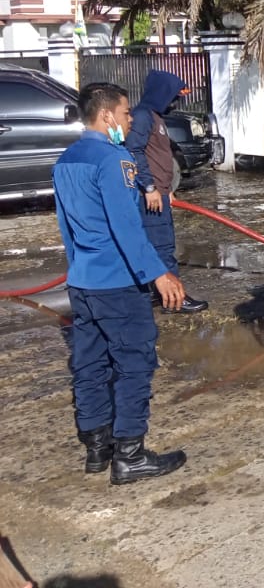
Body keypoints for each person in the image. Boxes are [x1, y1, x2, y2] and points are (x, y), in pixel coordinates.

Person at [53, 82, 188, 485]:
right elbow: (126, 226)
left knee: (90, 364)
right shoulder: (114, 161)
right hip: (117, 283)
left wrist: (79, 272)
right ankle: (130, 453)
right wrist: (158, 272)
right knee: (133, 363)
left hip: (83, 283)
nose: (130, 120)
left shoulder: (66, 161)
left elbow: (66, 229)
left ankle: (98, 447)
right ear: (107, 115)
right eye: (126, 113)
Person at [125, 69, 208, 314]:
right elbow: (134, 152)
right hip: (149, 197)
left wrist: (166, 189)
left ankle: (156, 292)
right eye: (173, 97)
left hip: (158, 194)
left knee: (156, 245)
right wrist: (149, 188)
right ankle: (175, 298)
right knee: (161, 247)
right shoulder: (142, 116)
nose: (175, 103)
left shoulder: (154, 117)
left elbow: (157, 156)